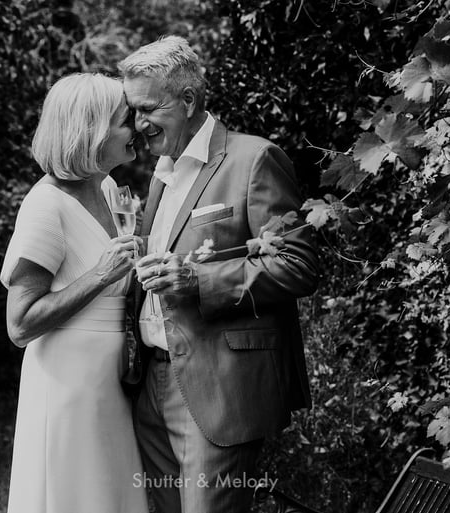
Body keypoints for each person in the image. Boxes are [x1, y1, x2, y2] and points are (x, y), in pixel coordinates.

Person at [119, 36, 320, 513]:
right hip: (152, 383)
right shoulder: (160, 173)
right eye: (134, 111)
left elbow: (298, 265)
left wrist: (198, 279)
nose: (139, 124)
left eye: (149, 109)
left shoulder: (254, 159)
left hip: (219, 388)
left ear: (188, 100)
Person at [0, 73, 148, 513]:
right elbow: (20, 324)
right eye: (126, 119)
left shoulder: (105, 187)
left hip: (110, 384)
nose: (137, 126)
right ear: (93, 131)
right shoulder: (45, 205)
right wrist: (100, 276)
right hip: (67, 384)